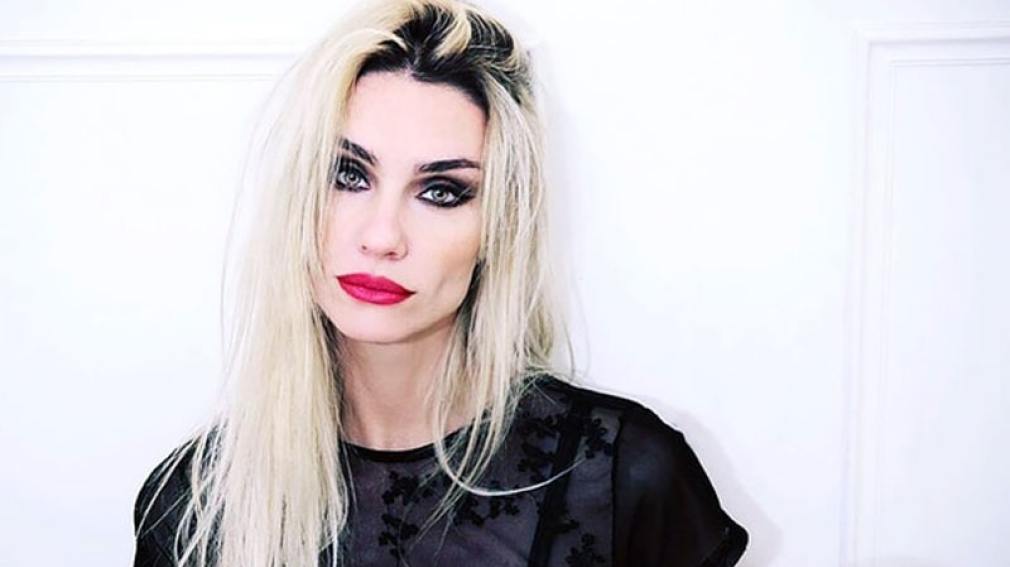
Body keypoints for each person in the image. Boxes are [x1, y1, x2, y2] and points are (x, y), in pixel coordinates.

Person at [131, 0, 748, 565]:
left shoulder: (624, 477)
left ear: (498, 227)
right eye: (348, 175)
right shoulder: (195, 505)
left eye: (441, 192)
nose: (382, 236)